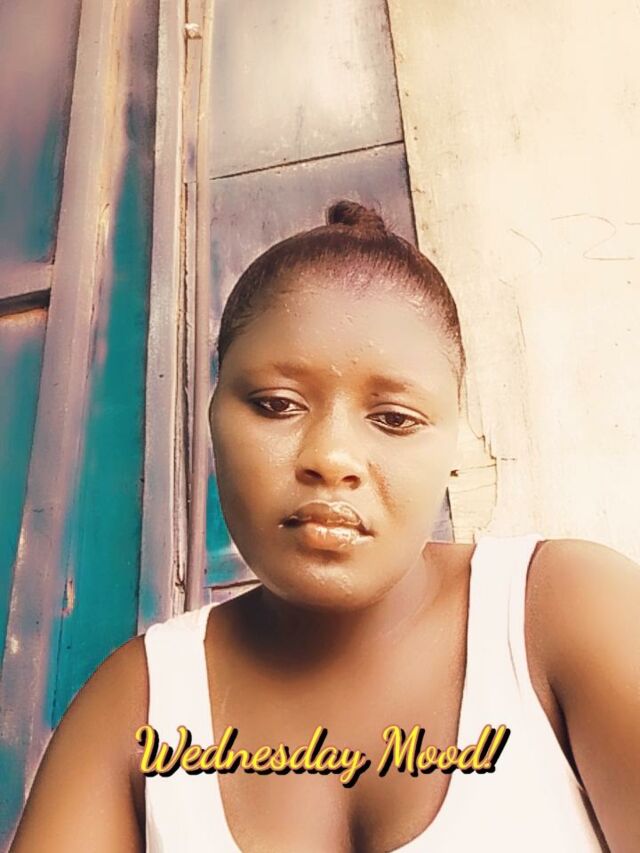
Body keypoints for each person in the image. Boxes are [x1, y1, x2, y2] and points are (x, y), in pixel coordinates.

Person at [10, 201, 640, 852]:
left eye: (394, 418)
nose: (331, 457)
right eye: (277, 405)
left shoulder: (564, 613)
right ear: (212, 418)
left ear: (456, 438)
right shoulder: (134, 705)